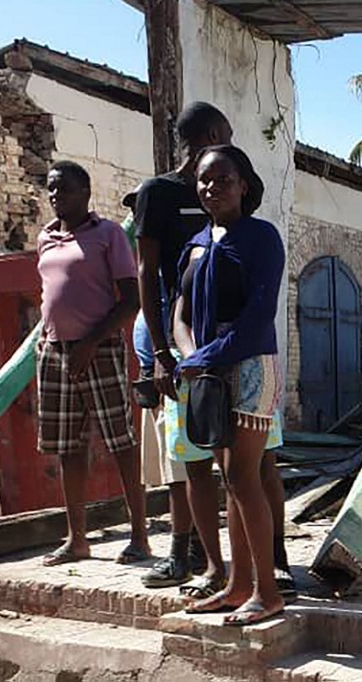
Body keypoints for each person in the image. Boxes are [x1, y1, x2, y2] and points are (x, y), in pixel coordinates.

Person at [172, 144, 286, 626]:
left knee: (244, 475)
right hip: (206, 371)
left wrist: (206, 358)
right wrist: (189, 354)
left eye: (222, 178)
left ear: (244, 185)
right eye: (204, 180)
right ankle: (239, 585)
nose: (212, 187)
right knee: (229, 480)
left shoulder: (261, 238)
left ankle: (268, 591)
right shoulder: (195, 242)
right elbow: (177, 310)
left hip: (252, 364)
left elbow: (260, 311)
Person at [133, 102, 231, 588]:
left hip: (214, 341)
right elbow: (147, 273)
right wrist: (160, 352)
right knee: (182, 457)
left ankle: (206, 553)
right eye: (225, 138)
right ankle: (180, 554)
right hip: (171, 337)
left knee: (222, 453)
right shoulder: (159, 193)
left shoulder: (221, 194)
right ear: (210, 135)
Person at [35, 160, 150, 566]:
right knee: (68, 448)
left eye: (64, 189)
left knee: (120, 442)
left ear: (85, 193)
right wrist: (55, 341)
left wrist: (89, 342)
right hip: (54, 353)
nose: (55, 196)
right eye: (51, 189)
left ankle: (140, 536)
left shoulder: (109, 235)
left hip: (98, 351)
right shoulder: (45, 238)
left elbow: (131, 301)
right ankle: (77, 539)